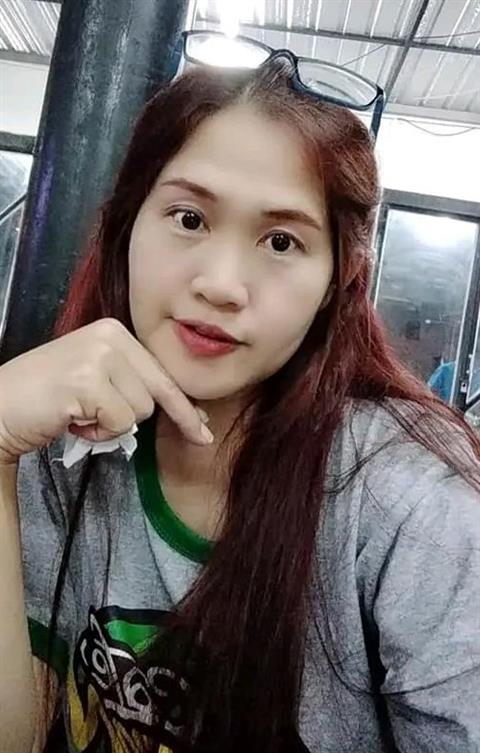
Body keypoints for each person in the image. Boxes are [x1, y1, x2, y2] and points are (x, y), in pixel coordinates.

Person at [0, 45, 479, 753]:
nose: (222, 284)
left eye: (281, 241)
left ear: (338, 282)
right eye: (189, 218)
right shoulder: (60, 444)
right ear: (127, 225)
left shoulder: (410, 503)